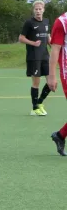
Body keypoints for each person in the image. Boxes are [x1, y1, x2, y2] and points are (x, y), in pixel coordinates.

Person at [19, 1, 51, 116]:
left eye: (40, 9)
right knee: (36, 83)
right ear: (33, 10)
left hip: (45, 56)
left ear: (43, 10)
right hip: (34, 57)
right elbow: (21, 38)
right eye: (36, 9)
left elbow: (48, 37)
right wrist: (33, 43)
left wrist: (55, 46)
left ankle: (40, 102)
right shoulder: (29, 23)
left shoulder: (47, 22)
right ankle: (34, 108)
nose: (38, 11)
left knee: (51, 82)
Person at [48, 11, 67, 156]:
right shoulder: (62, 21)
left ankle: (60, 135)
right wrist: (51, 76)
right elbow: (55, 49)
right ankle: (60, 135)